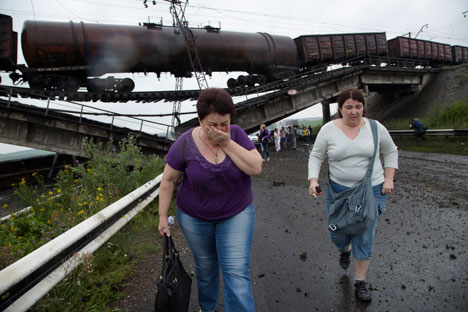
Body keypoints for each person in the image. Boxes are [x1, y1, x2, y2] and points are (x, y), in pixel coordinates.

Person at [158, 88, 263, 312]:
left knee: (235, 271)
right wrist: (162, 217)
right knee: (205, 267)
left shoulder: (236, 135)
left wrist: (226, 142)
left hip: (236, 212)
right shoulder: (184, 144)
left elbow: (256, 167)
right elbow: (168, 181)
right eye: (212, 125)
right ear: (199, 120)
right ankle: (208, 307)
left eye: (224, 123)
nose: (219, 129)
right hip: (195, 217)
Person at [307, 88, 398, 302]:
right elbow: (316, 156)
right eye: (348, 107)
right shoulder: (329, 129)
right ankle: (344, 249)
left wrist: (389, 178)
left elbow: (391, 151)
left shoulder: (375, 128)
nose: (354, 111)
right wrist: (313, 180)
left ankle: (360, 281)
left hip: (371, 189)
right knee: (338, 233)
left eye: (358, 106)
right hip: (339, 192)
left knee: (365, 233)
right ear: (340, 109)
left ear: (363, 107)